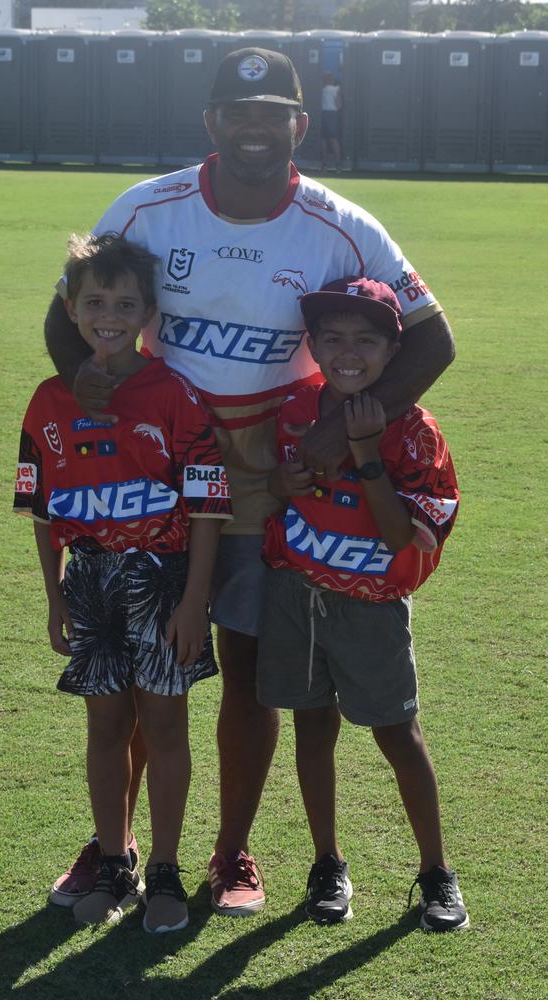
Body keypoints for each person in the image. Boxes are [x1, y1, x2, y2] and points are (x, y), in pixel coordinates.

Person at [43, 46, 456, 917]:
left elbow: (431, 338)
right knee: (141, 672)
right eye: (239, 112)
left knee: (247, 671)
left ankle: (232, 852)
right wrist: (88, 377)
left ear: (300, 125)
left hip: (274, 480)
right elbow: (69, 307)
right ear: (212, 122)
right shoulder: (149, 207)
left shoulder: (339, 223)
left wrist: (347, 439)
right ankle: (112, 849)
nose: (256, 127)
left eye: (274, 113)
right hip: (160, 477)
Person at [15, 233, 232, 932]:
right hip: (91, 581)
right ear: (72, 309)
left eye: (125, 303)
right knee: (105, 726)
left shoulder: (175, 394)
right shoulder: (48, 401)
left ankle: (165, 868)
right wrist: (54, 599)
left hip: (164, 582)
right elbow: (45, 514)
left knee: (165, 725)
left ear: (147, 314)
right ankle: (114, 862)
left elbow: (206, 505)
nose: (109, 314)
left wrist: (195, 600)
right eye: (94, 301)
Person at [258, 276, 468, 932]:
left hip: (371, 606)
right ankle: (328, 864)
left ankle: (436, 873)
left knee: (397, 735)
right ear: (313, 345)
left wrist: (366, 455)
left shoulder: (413, 431)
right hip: (299, 594)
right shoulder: (296, 406)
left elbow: (402, 535)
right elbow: (274, 484)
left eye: (366, 340)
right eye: (333, 338)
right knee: (312, 730)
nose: (349, 352)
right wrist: (284, 479)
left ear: (392, 348)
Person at [321, 73, 343, 171]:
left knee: (323, 140)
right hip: (332, 114)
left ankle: (324, 164)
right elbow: (339, 106)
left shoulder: (321, 89)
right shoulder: (337, 89)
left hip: (323, 113)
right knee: (334, 139)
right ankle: (338, 164)